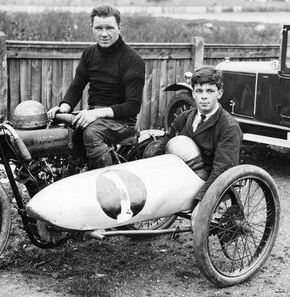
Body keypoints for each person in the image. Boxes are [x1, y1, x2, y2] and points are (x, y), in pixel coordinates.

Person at [47, 3, 145, 170]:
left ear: (119, 28)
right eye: (99, 28)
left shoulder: (132, 59)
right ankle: (68, 172)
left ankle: (106, 181)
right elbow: (77, 87)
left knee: (91, 133)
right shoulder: (89, 53)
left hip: (121, 121)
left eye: (110, 28)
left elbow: (133, 106)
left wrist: (95, 113)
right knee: (55, 126)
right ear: (91, 27)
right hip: (94, 116)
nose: (104, 34)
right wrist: (62, 109)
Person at [155, 66, 243, 207]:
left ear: (219, 93)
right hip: (182, 178)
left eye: (210, 91)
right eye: (199, 91)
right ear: (193, 94)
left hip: (210, 184)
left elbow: (222, 170)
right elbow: (161, 151)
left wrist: (201, 202)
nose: (204, 96)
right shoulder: (183, 118)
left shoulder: (228, 127)